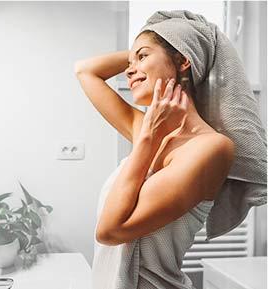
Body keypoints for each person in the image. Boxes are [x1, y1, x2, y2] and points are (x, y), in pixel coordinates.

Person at [75, 10, 266, 289]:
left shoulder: (211, 148)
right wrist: (145, 51)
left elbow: (110, 231)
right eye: (129, 61)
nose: (129, 70)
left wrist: (147, 140)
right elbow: (85, 70)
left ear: (183, 59)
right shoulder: (146, 130)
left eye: (142, 57)